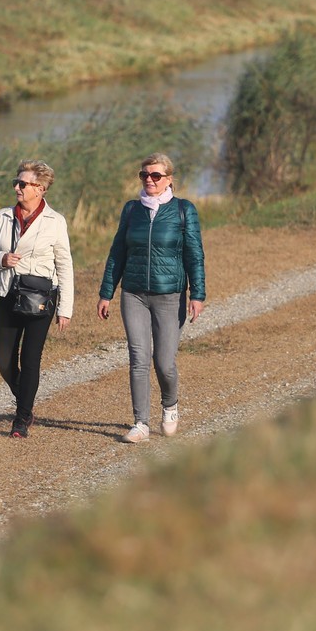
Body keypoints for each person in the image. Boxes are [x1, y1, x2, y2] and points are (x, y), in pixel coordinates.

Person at [97, 153, 206, 444]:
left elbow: (194, 254)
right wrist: (106, 292)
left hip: (169, 296)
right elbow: (117, 251)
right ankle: (140, 424)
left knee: (164, 362)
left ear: (169, 179)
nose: (149, 180)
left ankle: (170, 406)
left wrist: (198, 294)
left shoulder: (184, 210)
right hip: (133, 293)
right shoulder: (132, 210)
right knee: (138, 358)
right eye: (144, 175)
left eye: (156, 176)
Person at [0, 160, 73, 439]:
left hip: (40, 298)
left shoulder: (55, 222)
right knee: (4, 361)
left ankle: (21, 419)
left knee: (31, 358)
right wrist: (1, 259)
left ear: (40, 189)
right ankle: (26, 401)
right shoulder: (1, 217)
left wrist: (65, 309)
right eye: (16, 183)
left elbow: (65, 265)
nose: (17, 188)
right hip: (7, 294)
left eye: (23, 184)